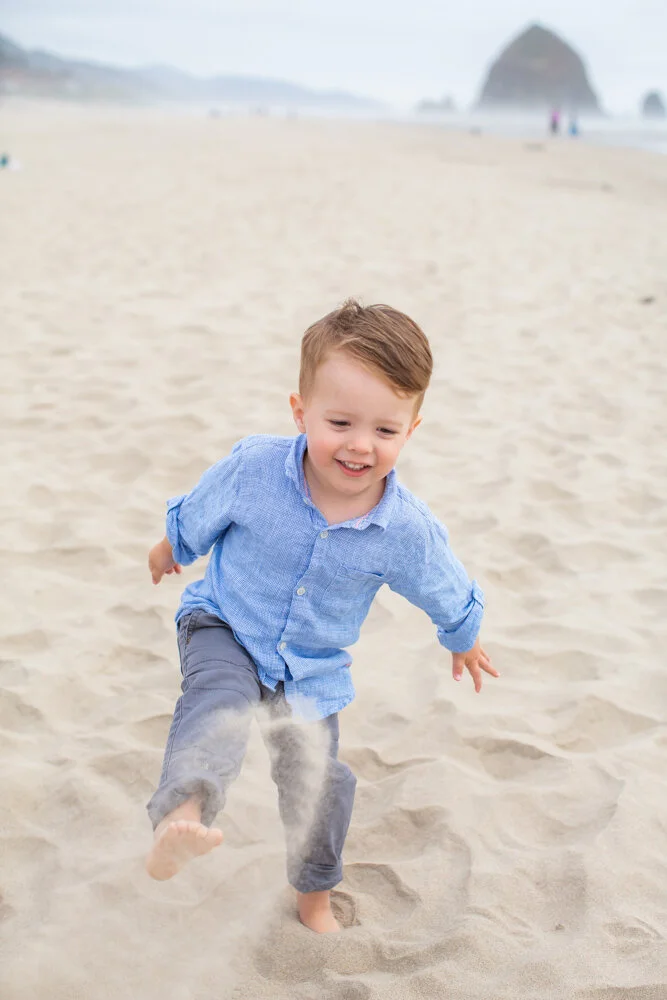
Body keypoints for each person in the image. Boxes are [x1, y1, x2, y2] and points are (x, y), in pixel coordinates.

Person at [145, 299, 498, 933]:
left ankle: (313, 896)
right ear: (300, 411)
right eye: (339, 422)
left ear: (411, 431)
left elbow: (442, 583)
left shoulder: (403, 529)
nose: (360, 445)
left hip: (310, 668)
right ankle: (183, 815)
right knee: (217, 705)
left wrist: (464, 637)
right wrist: (174, 546)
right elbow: (204, 507)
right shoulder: (257, 468)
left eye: (386, 431)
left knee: (319, 778)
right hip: (224, 621)